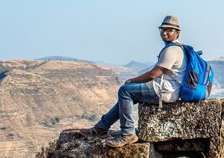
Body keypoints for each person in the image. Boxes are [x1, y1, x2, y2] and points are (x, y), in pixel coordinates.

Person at [80, 15, 186, 147]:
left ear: (177, 33)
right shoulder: (178, 48)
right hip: (169, 89)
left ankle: (127, 133)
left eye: (169, 30)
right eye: (163, 29)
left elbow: (153, 74)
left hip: (165, 91)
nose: (164, 33)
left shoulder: (172, 50)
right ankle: (101, 128)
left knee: (125, 91)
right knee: (130, 94)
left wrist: (132, 80)